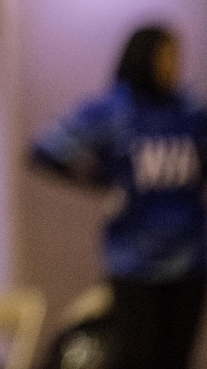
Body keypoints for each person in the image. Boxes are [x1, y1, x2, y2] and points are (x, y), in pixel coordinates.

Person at [29, 23, 207, 369]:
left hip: (189, 256)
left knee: (178, 357)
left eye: (175, 56)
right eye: (164, 56)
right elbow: (45, 149)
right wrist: (97, 179)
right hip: (135, 260)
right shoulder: (114, 110)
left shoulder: (190, 112)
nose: (171, 65)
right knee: (137, 356)